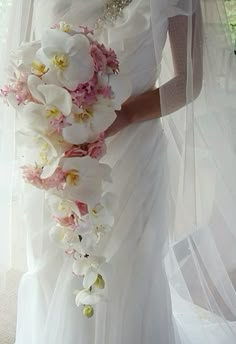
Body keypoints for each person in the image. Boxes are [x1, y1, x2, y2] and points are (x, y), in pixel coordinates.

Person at [2, 0, 236, 343]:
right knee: (57, 265)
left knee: (130, 268)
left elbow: (188, 81)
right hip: (62, 150)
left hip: (135, 150)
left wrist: (122, 116)